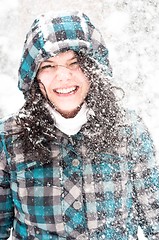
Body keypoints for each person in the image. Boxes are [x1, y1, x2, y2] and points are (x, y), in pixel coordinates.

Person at [0, 11, 159, 240]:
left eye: (74, 63)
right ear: (34, 77)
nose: (63, 76)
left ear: (93, 69)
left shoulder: (128, 130)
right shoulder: (9, 138)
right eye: (48, 66)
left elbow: (155, 217)